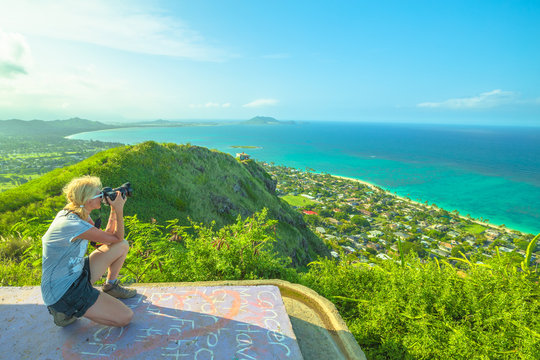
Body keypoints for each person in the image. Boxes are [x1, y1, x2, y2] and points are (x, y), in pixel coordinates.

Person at [41, 175, 136, 327]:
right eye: (99, 194)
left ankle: (111, 286)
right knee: (125, 317)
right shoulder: (72, 224)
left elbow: (107, 239)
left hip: (76, 273)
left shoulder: (77, 213)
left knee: (122, 245)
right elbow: (117, 236)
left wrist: (112, 209)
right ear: (87, 200)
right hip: (64, 292)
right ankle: (66, 311)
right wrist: (119, 210)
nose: (102, 196)